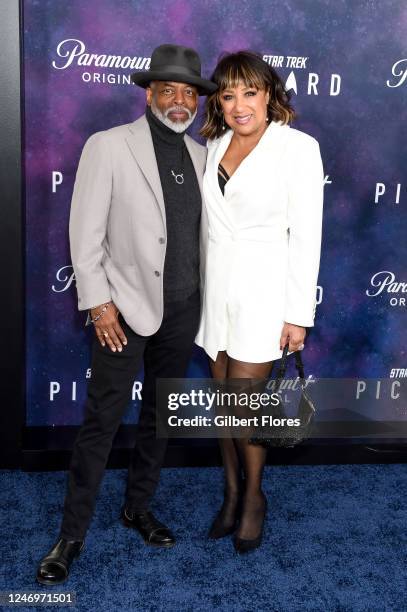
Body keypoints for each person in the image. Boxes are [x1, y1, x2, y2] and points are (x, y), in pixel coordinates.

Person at [36, 44, 217, 585]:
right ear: (150, 93)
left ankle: (138, 507)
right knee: (102, 422)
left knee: (159, 419)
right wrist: (99, 303)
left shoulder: (204, 155)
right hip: (123, 309)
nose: (181, 101)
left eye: (189, 92)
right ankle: (71, 534)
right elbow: (85, 232)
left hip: (183, 309)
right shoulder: (109, 146)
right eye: (170, 90)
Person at [195, 51, 324, 553]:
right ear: (220, 104)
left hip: (264, 293)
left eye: (250, 92)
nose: (239, 105)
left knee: (245, 409)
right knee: (224, 406)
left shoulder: (298, 148)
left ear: (270, 94)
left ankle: (253, 498)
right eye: (228, 95)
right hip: (217, 293)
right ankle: (230, 492)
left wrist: (298, 314)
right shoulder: (215, 144)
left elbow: (307, 236)